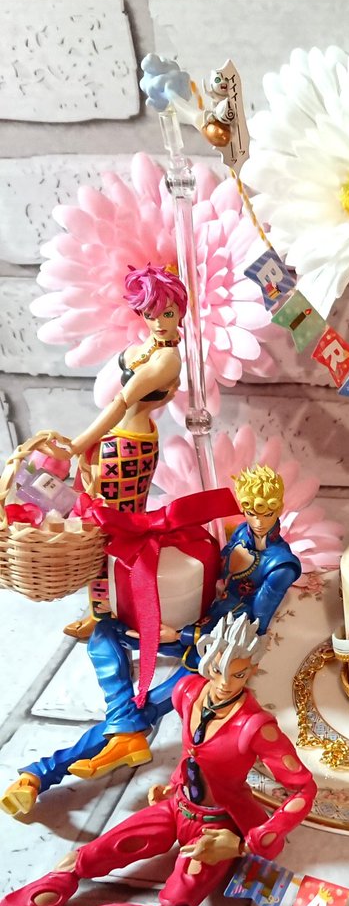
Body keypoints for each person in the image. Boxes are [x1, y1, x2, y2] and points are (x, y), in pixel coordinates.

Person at [0, 613, 317, 906]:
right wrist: (175, 783)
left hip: (214, 829)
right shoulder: (187, 691)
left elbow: (303, 790)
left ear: (252, 670)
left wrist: (243, 844)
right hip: (175, 806)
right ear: (207, 660)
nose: (225, 683)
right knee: (78, 860)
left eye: (238, 674)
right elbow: (193, 751)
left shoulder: (256, 727)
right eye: (217, 670)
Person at [1, 466, 301, 816]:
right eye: (250, 510)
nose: (258, 520)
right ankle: (124, 727)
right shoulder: (239, 536)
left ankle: (38, 775)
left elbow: (252, 627)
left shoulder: (281, 566)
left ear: (279, 508)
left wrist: (182, 635)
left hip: (216, 654)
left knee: (148, 706)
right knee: (106, 632)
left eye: (266, 511)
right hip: (191, 620)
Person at [54, 264, 187, 641]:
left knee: (117, 534)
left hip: (131, 449)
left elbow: (120, 401)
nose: (159, 322)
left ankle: (127, 611)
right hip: (116, 440)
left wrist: (79, 443)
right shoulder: (149, 348)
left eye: (167, 313)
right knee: (100, 528)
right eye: (150, 313)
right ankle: (102, 611)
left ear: (180, 311)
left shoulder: (167, 359)